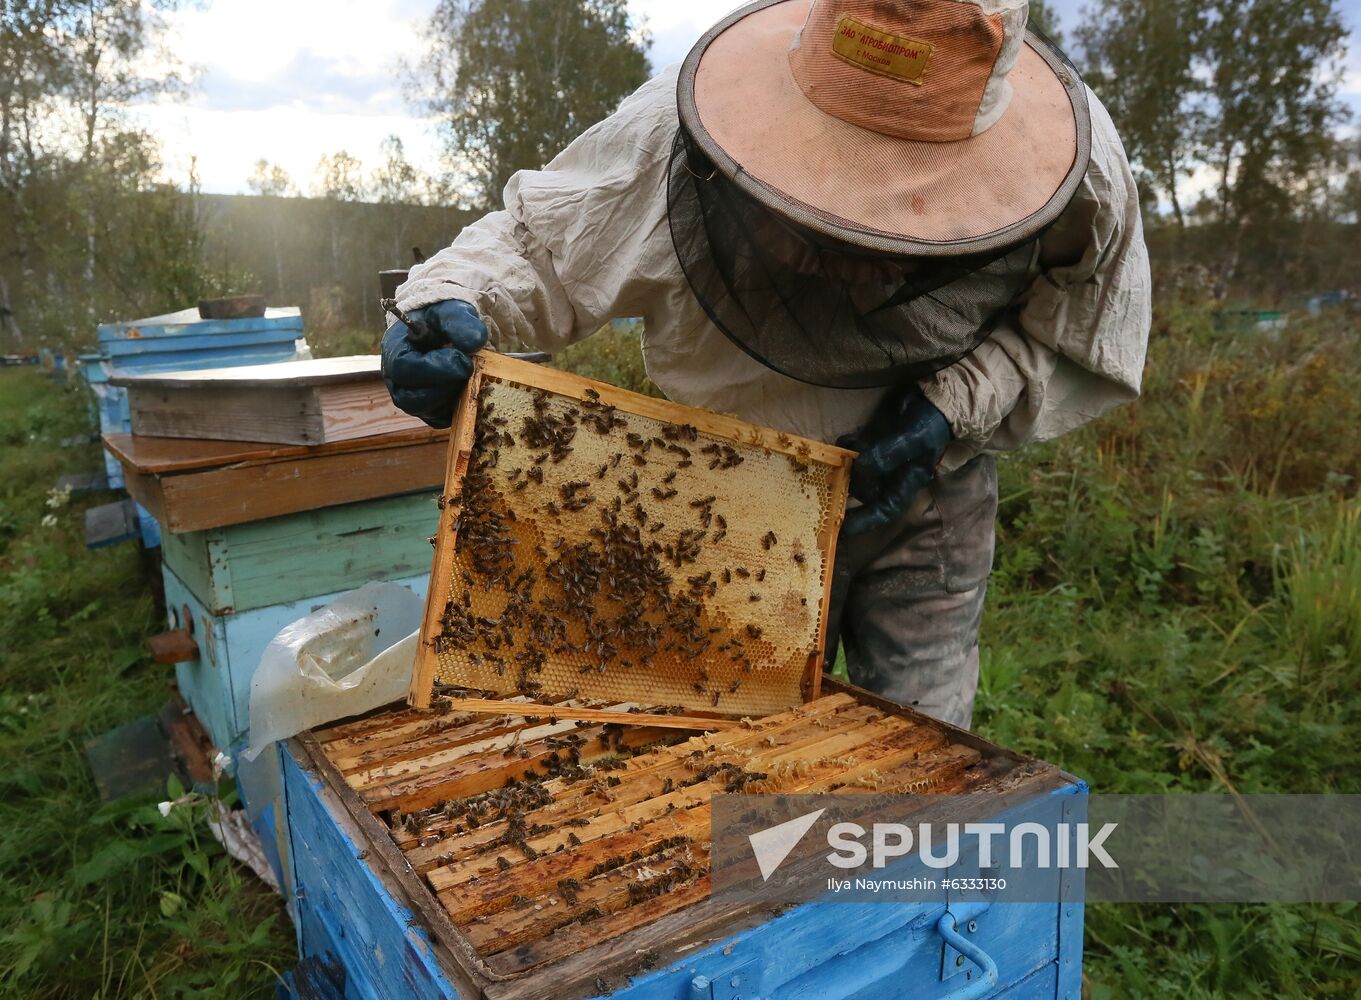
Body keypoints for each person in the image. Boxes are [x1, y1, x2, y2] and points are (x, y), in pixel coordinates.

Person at [381, 0, 1151, 730]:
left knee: (917, 757)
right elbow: (544, 243)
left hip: (926, 495)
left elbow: (1078, 320)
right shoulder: (677, 124)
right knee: (728, 742)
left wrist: (948, 410)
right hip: (724, 497)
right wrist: (448, 298)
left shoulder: (1078, 169)